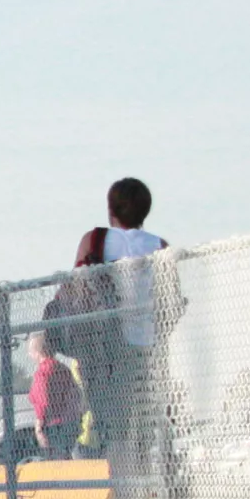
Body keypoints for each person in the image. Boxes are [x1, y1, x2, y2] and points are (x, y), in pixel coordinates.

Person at [45, 178, 166, 456]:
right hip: (147, 347)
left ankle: (122, 491)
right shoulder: (160, 246)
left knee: (113, 428)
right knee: (143, 427)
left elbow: (77, 288)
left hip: (106, 349)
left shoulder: (97, 240)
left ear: (110, 210)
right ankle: (142, 483)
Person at [29, 330, 86, 460]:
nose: (29, 354)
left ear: (37, 352)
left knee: (54, 461)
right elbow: (76, 393)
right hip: (71, 422)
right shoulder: (63, 368)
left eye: (30, 351)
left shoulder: (42, 372)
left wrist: (39, 425)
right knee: (65, 458)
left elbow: (43, 401)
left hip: (54, 426)